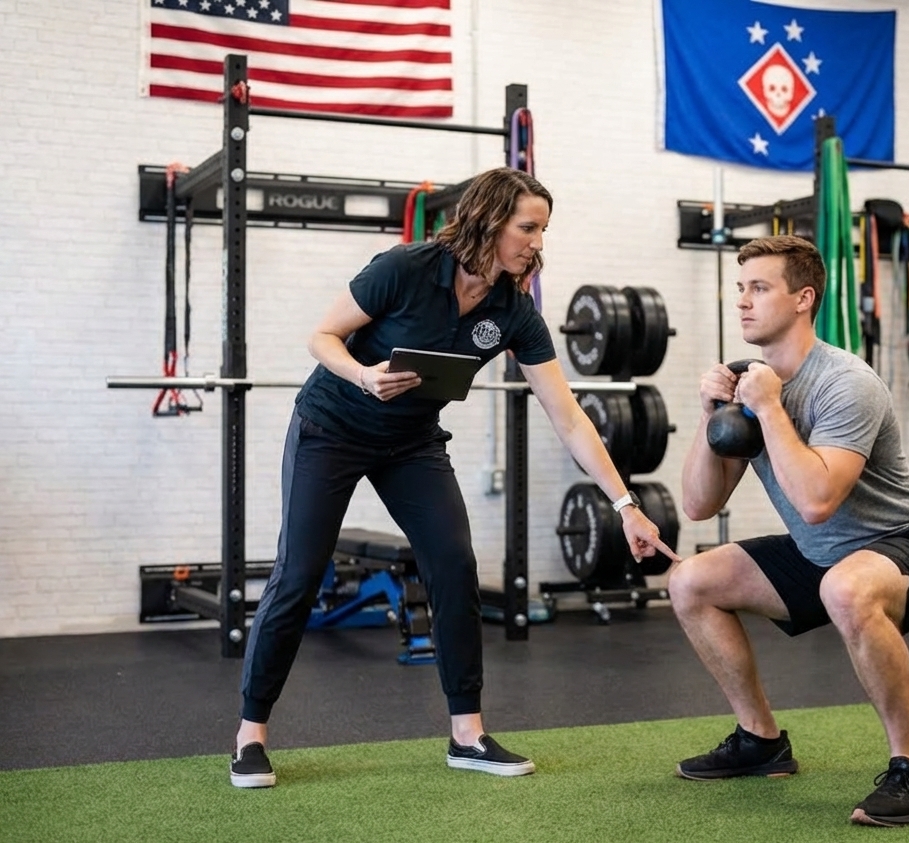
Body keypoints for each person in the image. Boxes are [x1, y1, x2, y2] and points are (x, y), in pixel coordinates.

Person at [230, 167, 679, 788]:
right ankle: (250, 735)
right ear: (489, 221)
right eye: (528, 228)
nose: (537, 242)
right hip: (331, 429)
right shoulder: (404, 268)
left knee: (453, 564)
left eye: (543, 230)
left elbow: (569, 416)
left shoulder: (513, 311)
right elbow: (322, 336)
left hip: (411, 442)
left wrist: (625, 504)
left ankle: (467, 734)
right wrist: (363, 375)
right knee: (299, 573)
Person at [669, 235, 909, 827]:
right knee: (690, 581)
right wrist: (710, 415)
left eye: (759, 288)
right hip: (821, 553)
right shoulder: (749, 386)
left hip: (908, 546)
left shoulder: (845, 383)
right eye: (740, 288)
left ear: (803, 298)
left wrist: (771, 410)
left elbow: (818, 500)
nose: (742, 301)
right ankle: (760, 741)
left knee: (845, 589)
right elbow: (698, 504)